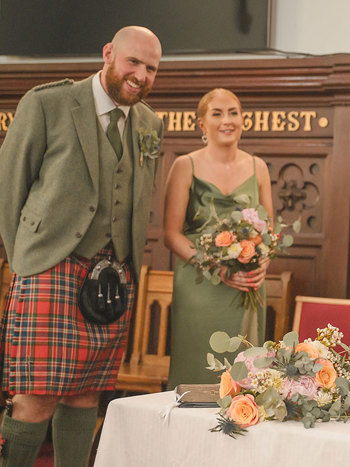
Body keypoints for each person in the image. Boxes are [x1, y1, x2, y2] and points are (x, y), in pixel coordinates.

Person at [0, 26, 163, 466]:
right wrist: (25, 262)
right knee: (36, 396)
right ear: (108, 53)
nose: (141, 74)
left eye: (151, 68)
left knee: (86, 395)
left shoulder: (150, 122)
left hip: (113, 276)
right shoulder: (47, 103)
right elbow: (9, 187)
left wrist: (128, 265)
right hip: (49, 267)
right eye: (133, 62)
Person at [164, 88, 273, 389]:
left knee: (243, 378)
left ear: (242, 119)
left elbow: (268, 229)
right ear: (202, 124)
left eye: (233, 112)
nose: (227, 120)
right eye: (217, 113)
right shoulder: (185, 166)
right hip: (200, 286)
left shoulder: (258, 167)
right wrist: (217, 267)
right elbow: (171, 235)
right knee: (197, 372)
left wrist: (263, 260)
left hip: (246, 286)